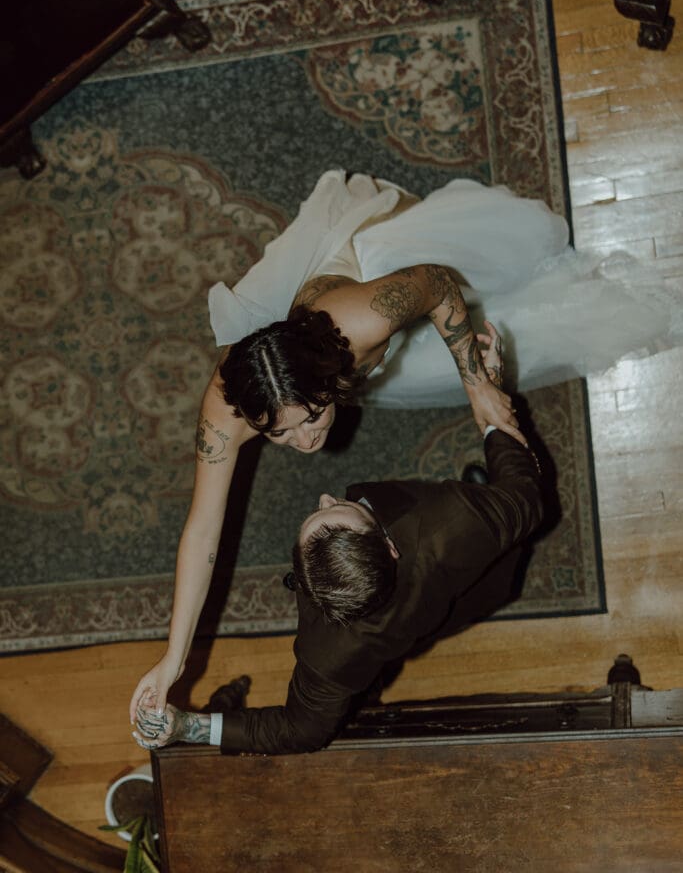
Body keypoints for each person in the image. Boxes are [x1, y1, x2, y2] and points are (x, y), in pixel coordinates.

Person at [129, 169, 681, 724]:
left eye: (314, 416)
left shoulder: (359, 320)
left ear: (329, 376)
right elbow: (202, 529)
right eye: (280, 433)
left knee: (517, 247)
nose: (305, 441)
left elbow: (437, 285)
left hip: (368, 273)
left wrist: (477, 384)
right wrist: (174, 658)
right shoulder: (225, 412)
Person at [132, 323, 544, 755]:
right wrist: (493, 395)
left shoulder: (330, 654)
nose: (326, 498)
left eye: (320, 512)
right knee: (492, 531)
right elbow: (526, 496)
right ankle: (482, 503)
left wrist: (187, 726)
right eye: (333, 509)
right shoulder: (450, 521)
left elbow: (300, 731)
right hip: (469, 577)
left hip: (423, 609)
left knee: (381, 657)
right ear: (389, 545)